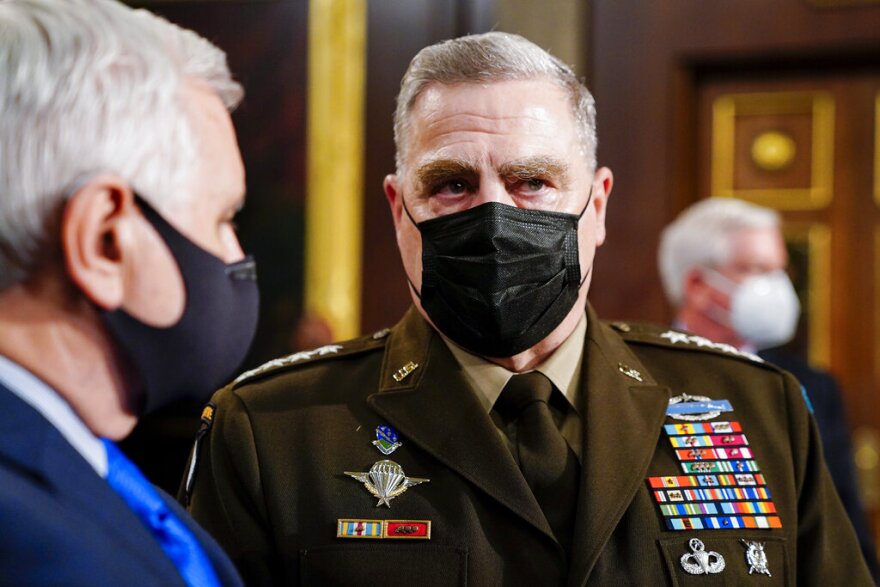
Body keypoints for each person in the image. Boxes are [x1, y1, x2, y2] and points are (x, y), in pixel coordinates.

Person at [184, 32, 872, 584]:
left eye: (532, 181)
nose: (493, 213)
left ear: (596, 204)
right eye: (451, 184)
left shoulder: (760, 409)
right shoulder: (273, 432)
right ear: (399, 209)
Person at [0, 1, 259, 585]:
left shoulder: (89, 468)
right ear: (104, 243)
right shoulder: (29, 549)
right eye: (223, 220)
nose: (236, 258)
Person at [658, 196, 879, 581]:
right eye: (756, 269)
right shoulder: (638, 376)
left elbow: (843, 524)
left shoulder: (811, 384)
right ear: (697, 283)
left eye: (780, 270)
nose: (776, 286)